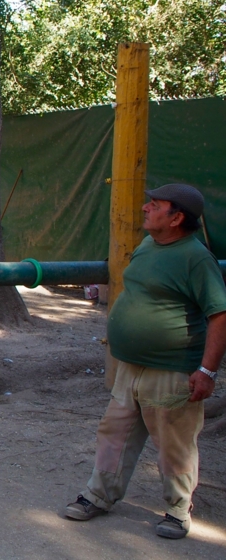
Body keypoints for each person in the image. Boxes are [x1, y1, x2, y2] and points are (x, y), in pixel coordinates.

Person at [64, 183, 226, 539]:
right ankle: (98, 495)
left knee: (173, 442)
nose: (145, 208)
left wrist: (206, 371)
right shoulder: (150, 244)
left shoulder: (196, 258)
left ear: (177, 217)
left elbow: (220, 314)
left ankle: (177, 511)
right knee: (114, 433)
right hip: (130, 367)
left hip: (171, 370)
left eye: (155, 205)